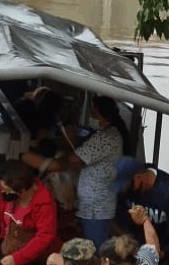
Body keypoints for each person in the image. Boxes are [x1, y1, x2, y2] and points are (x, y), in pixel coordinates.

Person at [23, 95, 130, 248]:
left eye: (93, 113)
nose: (91, 116)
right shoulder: (108, 134)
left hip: (96, 202)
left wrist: (70, 137)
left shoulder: (106, 138)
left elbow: (74, 158)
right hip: (96, 199)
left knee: (95, 245)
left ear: (102, 115)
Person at [0, 160, 62, 265]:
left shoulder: (44, 202)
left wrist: (17, 258)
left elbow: (46, 235)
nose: (2, 192)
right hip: (10, 245)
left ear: (21, 189)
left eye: (6, 189)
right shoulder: (3, 192)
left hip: (40, 253)